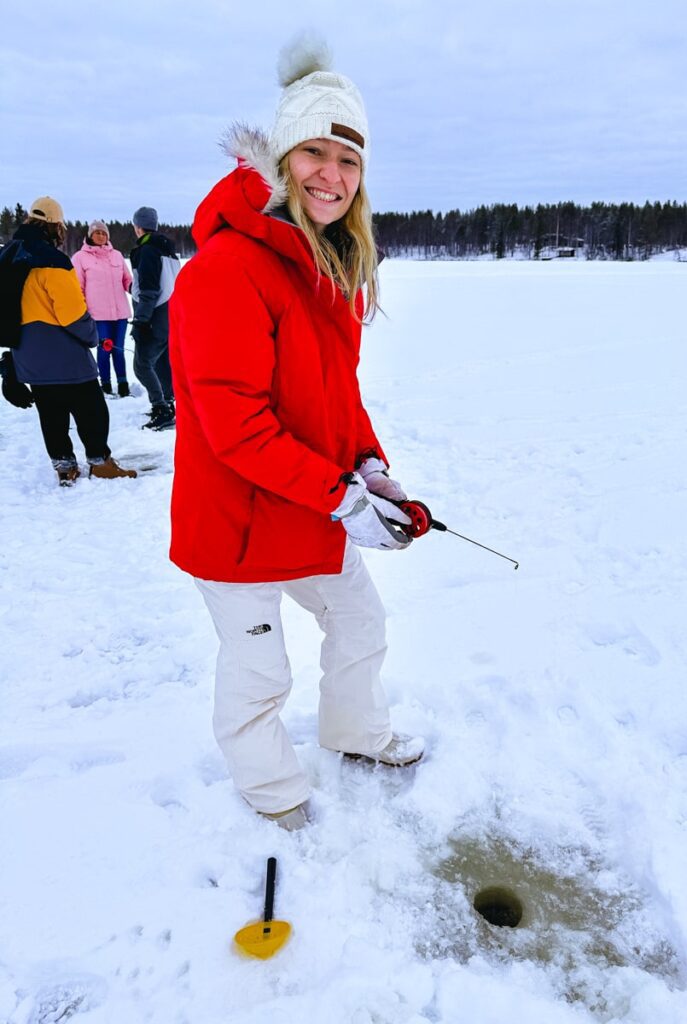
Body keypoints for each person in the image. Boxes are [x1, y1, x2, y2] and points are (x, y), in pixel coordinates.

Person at [168, 39, 424, 831]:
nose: (332, 174)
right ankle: (274, 790)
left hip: (310, 501)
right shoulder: (224, 271)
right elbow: (237, 426)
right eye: (314, 150)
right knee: (259, 669)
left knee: (361, 620)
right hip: (237, 516)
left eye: (348, 158)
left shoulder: (328, 269)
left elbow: (334, 397)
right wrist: (340, 495)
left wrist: (371, 469)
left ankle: (354, 733)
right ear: (281, 157)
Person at [2, 197, 137, 485]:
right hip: (64, 353)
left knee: (50, 412)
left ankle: (64, 465)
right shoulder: (53, 261)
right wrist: (92, 335)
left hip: (27, 353)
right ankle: (100, 462)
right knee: (92, 409)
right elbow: (72, 315)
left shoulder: (8, 256)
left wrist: (10, 361)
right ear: (55, 226)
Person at [129, 206, 180, 430]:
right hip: (171, 315)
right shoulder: (168, 249)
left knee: (142, 364)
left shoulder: (147, 250)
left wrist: (141, 321)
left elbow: (149, 291)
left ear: (138, 227)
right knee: (161, 362)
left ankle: (161, 408)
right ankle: (168, 402)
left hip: (155, 316)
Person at [71, 220, 132, 397]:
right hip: (98, 315)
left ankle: (123, 384)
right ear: (90, 235)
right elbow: (78, 287)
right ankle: (105, 384)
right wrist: (82, 311)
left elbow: (126, 280)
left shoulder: (117, 255)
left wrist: (135, 289)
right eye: (97, 233)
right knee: (105, 350)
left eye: (104, 233)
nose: (101, 236)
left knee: (119, 350)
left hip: (120, 313)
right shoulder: (80, 258)